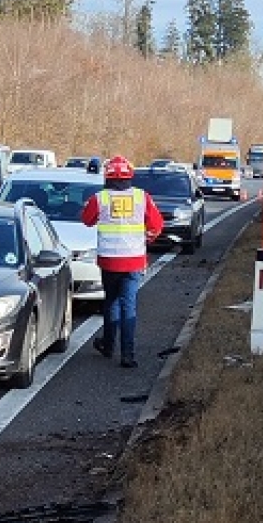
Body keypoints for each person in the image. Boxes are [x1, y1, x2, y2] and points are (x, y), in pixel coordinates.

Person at [79, 154, 164, 369]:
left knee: (111, 302)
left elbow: (87, 220)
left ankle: (108, 346)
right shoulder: (141, 197)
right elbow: (156, 224)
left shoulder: (101, 198)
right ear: (129, 177)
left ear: (107, 178)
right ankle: (128, 354)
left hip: (109, 261)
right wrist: (147, 238)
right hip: (134, 260)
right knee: (129, 306)